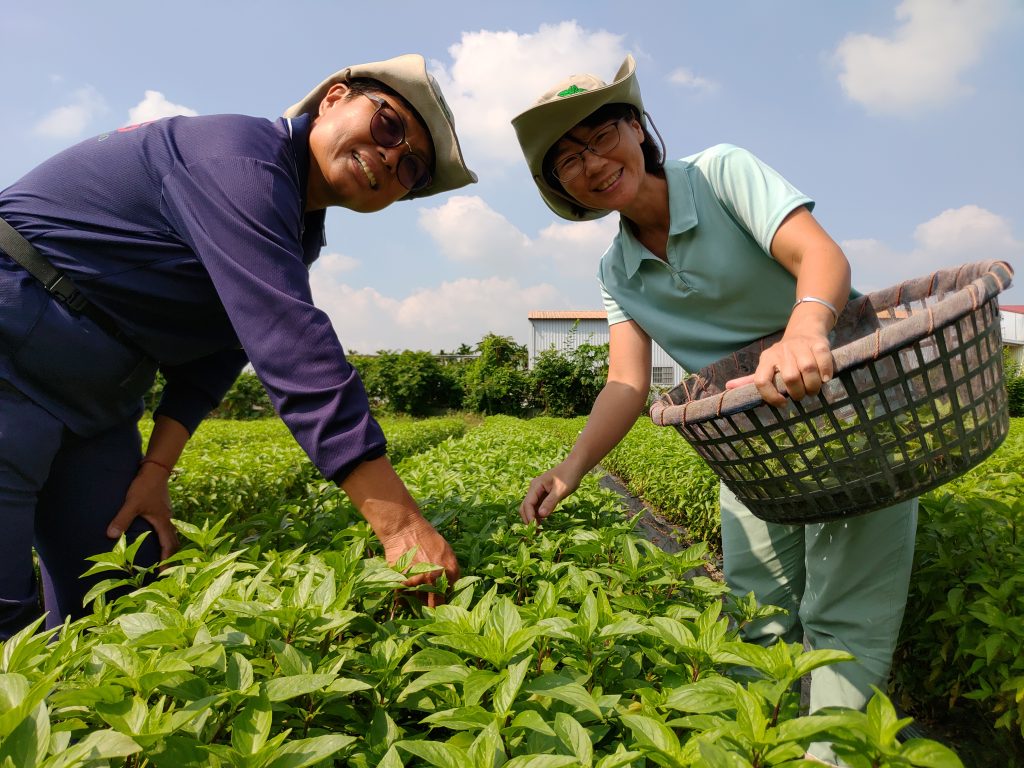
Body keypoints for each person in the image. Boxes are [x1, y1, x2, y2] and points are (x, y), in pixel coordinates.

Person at [511, 56, 917, 766]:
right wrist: (570, 469)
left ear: (637, 127)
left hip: (847, 405)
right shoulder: (616, 272)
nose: (592, 163)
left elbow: (819, 256)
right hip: (751, 443)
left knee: (842, 611)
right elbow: (626, 385)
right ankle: (761, 747)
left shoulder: (720, 173)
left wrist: (805, 328)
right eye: (567, 160)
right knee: (757, 612)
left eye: (601, 134)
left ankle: (832, 756)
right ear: (563, 189)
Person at [0, 53, 475, 640]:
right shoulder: (239, 156)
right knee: (8, 621)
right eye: (388, 125)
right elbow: (290, 345)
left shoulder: (293, 232)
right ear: (334, 98)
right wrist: (400, 525)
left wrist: (156, 468)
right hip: (15, 335)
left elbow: (219, 354)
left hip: (96, 399)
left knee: (120, 596)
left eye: (410, 170)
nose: (390, 155)